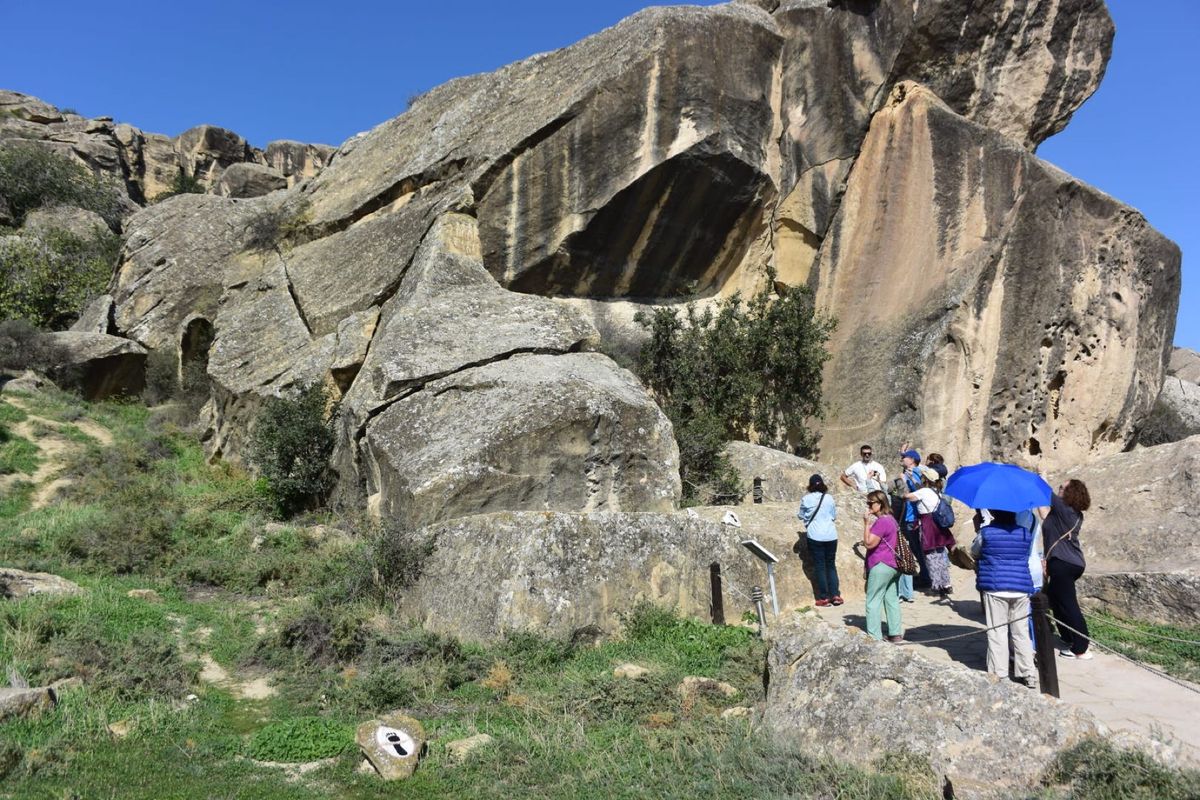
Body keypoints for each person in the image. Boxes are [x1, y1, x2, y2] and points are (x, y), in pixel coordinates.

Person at [972, 509, 1036, 686]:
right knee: (1021, 632)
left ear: (994, 514)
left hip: (996, 587)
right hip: (1021, 586)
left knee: (997, 631)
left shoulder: (986, 532)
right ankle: (1028, 672)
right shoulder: (1025, 532)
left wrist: (979, 529)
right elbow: (1025, 554)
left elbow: (975, 551)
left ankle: (1000, 674)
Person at [1038, 479, 1093, 660]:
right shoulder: (1069, 513)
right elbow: (1046, 516)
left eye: (1062, 487)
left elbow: (1045, 492)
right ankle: (1068, 636)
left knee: (1069, 605)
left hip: (1063, 564)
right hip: (1069, 563)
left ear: (1071, 492)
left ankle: (1081, 647)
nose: (1058, 489)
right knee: (1056, 599)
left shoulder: (1064, 508)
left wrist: (1038, 477)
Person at [903, 465, 955, 598]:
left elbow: (908, 497)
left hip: (928, 525)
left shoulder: (924, 491)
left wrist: (902, 485)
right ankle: (946, 583)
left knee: (930, 556)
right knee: (941, 554)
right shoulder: (935, 491)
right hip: (938, 525)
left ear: (925, 478)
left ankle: (937, 585)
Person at [862, 490, 903, 642]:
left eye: (871, 503)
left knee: (873, 600)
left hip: (880, 564)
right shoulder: (892, 519)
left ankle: (874, 637)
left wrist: (866, 523)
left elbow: (869, 543)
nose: (868, 506)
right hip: (893, 565)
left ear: (880, 503)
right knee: (891, 599)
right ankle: (895, 633)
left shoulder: (881, 522)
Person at [799, 474, 841, 607]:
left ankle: (824, 598)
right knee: (831, 565)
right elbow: (833, 516)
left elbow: (800, 515)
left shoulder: (806, 499)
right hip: (831, 535)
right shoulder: (829, 498)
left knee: (820, 566)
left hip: (815, 536)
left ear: (810, 486)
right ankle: (835, 595)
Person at [893, 448, 929, 601]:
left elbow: (916, 490)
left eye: (905, 458)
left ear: (912, 460)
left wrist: (902, 481)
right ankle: (924, 575)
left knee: (915, 549)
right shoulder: (911, 471)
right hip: (910, 517)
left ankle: (924, 577)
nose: (903, 459)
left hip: (911, 517)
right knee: (915, 548)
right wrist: (902, 452)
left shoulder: (913, 473)